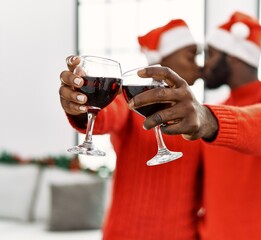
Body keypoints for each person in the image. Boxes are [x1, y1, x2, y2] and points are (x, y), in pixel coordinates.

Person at [128, 11, 261, 239]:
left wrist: (210, 119)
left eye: (211, 54)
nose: (204, 65)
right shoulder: (219, 107)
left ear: (233, 57)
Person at [59, 19, 203, 239]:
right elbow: (107, 116)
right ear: (161, 63)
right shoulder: (131, 105)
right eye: (191, 56)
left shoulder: (200, 118)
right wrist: (79, 108)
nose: (198, 65)